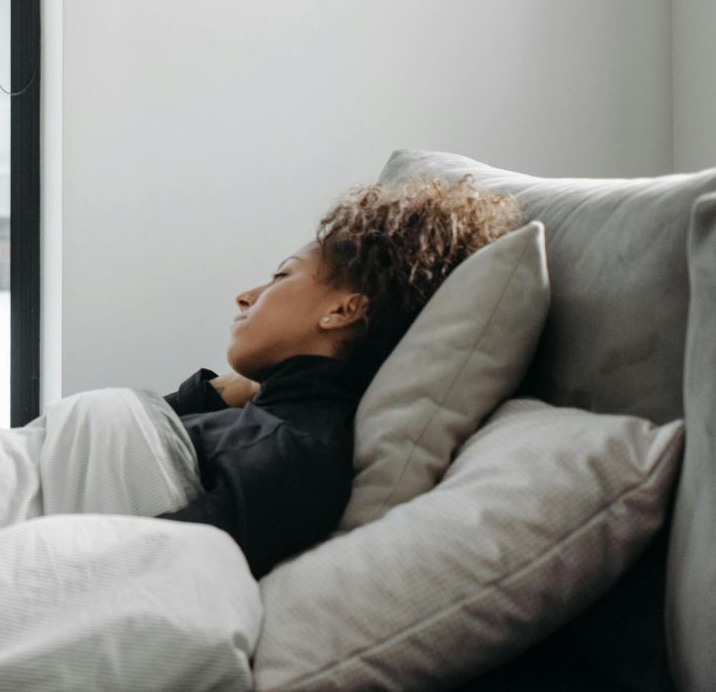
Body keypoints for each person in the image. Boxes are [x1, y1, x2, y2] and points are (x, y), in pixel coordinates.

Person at [157, 175, 521, 575]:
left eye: (282, 276)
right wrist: (224, 390)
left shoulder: (292, 450)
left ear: (343, 312)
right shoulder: (261, 421)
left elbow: (133, 563)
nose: (245, 296)